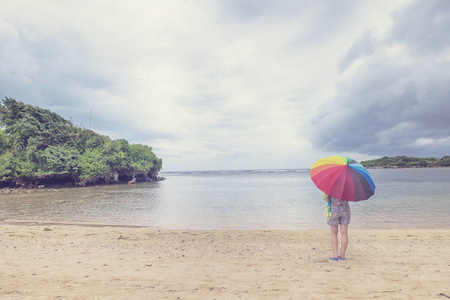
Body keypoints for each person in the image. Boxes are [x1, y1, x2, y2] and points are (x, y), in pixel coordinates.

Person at [324, 194, 351, 261]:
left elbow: (327, 200)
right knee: (344, 233)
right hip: (345, 210)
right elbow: (349, 198)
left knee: (334, 233)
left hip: (334, 210)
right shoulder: (347, 186)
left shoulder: (330, 187)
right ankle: (342, 255)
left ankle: (335, 254)